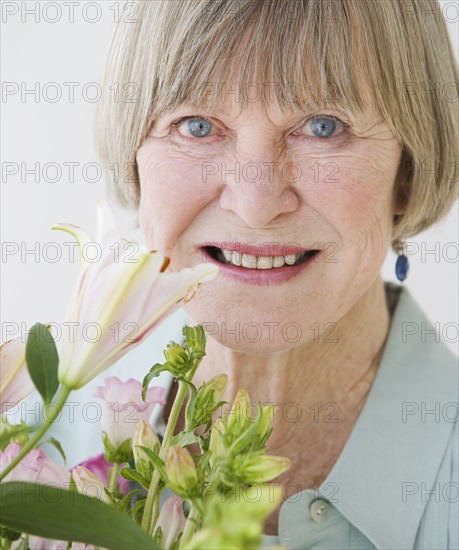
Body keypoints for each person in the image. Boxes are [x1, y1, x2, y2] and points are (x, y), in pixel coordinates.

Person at [94, 0, 456, 548]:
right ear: (136, 162)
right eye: (197, 126)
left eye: (322, 126)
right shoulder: (33, 441)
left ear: (408, 170)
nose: (256, 203)